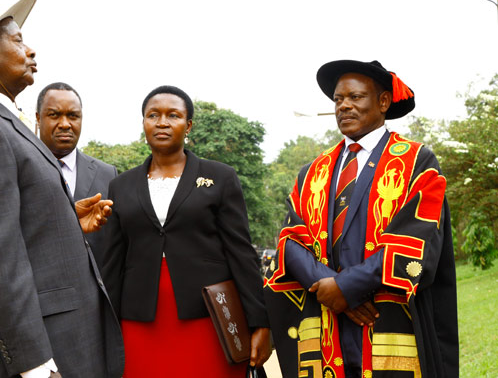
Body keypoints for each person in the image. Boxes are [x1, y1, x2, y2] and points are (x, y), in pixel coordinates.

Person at [0, 0, 124, 378]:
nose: (30, 50)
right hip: (10, 359)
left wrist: (65, 220)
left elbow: (7, 224)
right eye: (17, 40)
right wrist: (34, 364)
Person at [263, 60, 458, 378]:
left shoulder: (415, 161)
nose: (344, 106)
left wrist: (346, 288)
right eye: (339, 99)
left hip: (388, 319)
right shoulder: (313, 172)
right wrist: (332, 290)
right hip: (328, 321)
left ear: (383, 102)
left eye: (355, 97)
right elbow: (290, 241)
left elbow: (417, 241)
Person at [102, 85, 272, 377]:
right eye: (153, 115)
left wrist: (261, 321)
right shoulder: (121, 185)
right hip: (140, 319)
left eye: (173, 115)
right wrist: (106, 326)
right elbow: (113, 261)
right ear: (143, 122)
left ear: (188, 124)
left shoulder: (220, 177)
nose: (162, 122)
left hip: (208, 316)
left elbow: (241, 253)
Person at [35, 82, 118, 263]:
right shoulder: (19, 169)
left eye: (73, 116)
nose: (65, 124)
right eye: (54, 115)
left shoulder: (108, 174)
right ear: (38, 118)